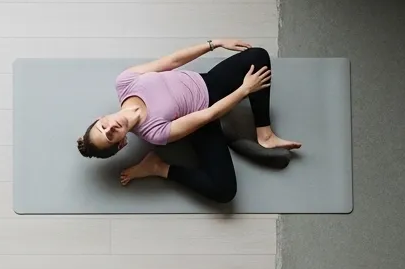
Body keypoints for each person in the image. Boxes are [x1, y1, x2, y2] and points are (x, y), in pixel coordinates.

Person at [77, 40, 301, 204]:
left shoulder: (124, 83)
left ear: (100, 118)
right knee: (224, 191)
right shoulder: (153, 132)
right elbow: (208, 115)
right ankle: (158, 167)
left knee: (258, 56)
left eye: (103, 126)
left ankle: (265, 135)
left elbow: (172, 61)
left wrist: (214, 43)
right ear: (121, 143)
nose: (110, 128)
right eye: (110, 136)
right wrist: (244, 90)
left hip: (206, 82)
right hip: (203, 118)